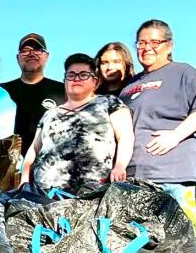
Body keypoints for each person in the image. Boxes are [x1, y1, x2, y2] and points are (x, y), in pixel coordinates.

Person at [120, 20, 196, 232]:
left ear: (169, 45)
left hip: (171, 175)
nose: (147, 47)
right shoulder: (128, 86)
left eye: (155, 41)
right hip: (134, 177)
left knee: (181, 239)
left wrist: (175, 135)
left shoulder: (183, 73)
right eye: (141, 43)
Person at [21, 53, 134, 194]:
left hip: (90, 193)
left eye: (83, 75)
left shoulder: (110, 103)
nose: (76, 79)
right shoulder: (50, 113)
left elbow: (125, 136)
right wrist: (24, 183)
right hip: (45, 194)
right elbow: (33, 150)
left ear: (95, 81)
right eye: (71, 75)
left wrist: (120, 166)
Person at [1, 33, 66, 148]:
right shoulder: (0, 92)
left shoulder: (64, 91)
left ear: (47, 56)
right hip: (6, 164)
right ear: (17, 58)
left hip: (49, 163)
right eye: (25, 50)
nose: (31, 54)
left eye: (37, 49)